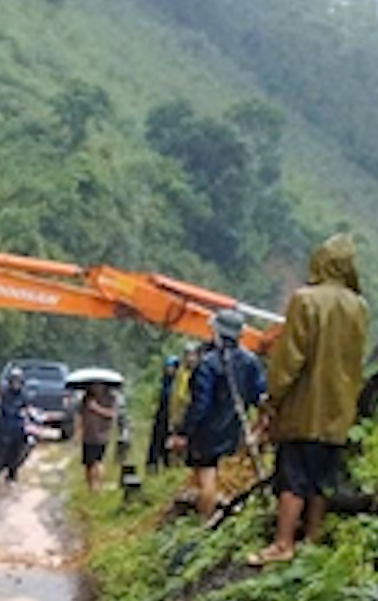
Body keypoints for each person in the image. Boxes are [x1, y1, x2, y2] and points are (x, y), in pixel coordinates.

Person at [250, 234, 368, 566]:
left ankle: (283, 542)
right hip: (339, 409)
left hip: (304, 407)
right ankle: (312, 539)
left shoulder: (305, 300)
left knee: (292, 477)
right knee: (321, 478)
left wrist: (272, 398)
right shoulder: (359, 306)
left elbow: (290, 359)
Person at [169, 309, 265, 518]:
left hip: (208, 431)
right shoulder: (251, 361)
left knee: (206, 477)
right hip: (236, 427)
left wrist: (184, 432)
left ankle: (206, 521)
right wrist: (259, 427)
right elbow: (261, 397)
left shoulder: (208, 363)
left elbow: (200, 404)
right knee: (224, 477)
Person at [0, 368, 35, 485]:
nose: (16, 384)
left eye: (18, 381)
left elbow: (28, 409)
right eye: (14, 381)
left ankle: (12, 475)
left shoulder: (24, 395)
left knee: (18, 451)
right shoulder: (3, 393)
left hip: (18, 428)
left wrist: (31, 419)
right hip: (4, 427)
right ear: (10, 381)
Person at [79, 382, 118, 491]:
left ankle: (98, 485)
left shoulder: (110, 398)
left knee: (97, 461)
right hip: (88, 434)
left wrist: (96, 408)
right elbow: (80, 414)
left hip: (101, 434)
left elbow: (112, 414)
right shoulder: (86, 398)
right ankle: (90, 487)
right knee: (87, 463)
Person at [146, 354, 180, 471]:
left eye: (172, 367)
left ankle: (168, 466)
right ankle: (152, 466)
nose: (169, 369)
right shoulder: (164, 382)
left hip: (172, 416)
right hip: (161, 415)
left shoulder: (178, 383)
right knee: (156, 442)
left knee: (169, 444)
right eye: (167, 367)